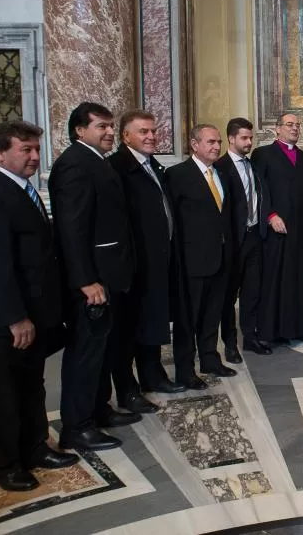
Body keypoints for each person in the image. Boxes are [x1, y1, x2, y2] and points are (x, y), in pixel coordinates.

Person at [0, 121, 79, 492]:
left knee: (31, 386)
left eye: (36, 149)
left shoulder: (22, 190)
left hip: (32, 313)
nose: (35, 156)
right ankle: (5, 464)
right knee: (1, 396)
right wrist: (15, 318)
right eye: (25, 149)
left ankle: (35, 447)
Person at [50, 102, 137, 452]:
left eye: (110, 126)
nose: (108, 132)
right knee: (86, 353)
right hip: (93, 281)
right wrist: (86, 280)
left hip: (109, 275)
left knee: (102, 348)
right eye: (101, 126)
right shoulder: (74, 165)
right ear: (79, 130)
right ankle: (77, 425)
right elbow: (72, 229)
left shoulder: (94, 161)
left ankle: (99, 409)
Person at [105, 111, 185, 417]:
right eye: (143, 132)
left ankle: (153, 375)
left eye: (153, 131)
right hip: (133, 265)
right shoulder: (117, 168)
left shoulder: (153, 165)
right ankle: (128, 390)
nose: (151, 136)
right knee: (127, 330)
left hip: (158, 260)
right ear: (126, 136)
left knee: (152, 321)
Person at [165, 124, 235, 388]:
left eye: (218, 142)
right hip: (191, 261)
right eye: (210, 142)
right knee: (188, 319)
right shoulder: (177, 175)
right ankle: (185, 370)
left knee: (212, 314)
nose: (216, 147)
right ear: (194, 145)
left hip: (220, 258)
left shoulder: (222, 174)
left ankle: (210, 359)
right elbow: (172, 221)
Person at [251, 113, 303, 342]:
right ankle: (270, 331)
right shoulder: (263, 154)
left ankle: (297, 329)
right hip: (275, 227)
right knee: (274, 279)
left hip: (300, 229)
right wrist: (270, 215)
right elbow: (259, 189)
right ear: (277, 129)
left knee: (298, 278)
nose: (295, 128)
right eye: (289, 125)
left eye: (298, 125)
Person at [215, 118, 269, 359]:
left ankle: (250, 336)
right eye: (244, 138)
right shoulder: (220, 167)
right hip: (233, 240)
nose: (249, 142)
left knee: (252, 291)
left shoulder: (253, 165)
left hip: (255, 236)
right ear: (231, 139)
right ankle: (229, 344)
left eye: (251, 138)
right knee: (229, 295)